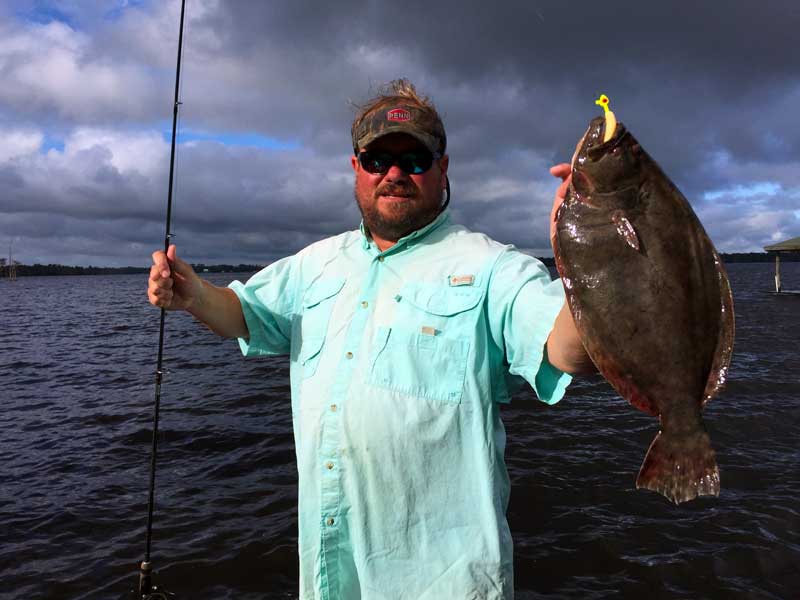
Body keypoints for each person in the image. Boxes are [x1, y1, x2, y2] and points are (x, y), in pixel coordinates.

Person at [148, 79, 593, 599]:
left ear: (443, 169)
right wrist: (193, 293)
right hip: (330, 581)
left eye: (415, 159)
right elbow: (244, 314)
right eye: (378, 159)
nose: (396, 173)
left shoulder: (494, 267)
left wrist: (588, 261)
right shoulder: (314, 264)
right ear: (356, 168)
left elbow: (570, 351)